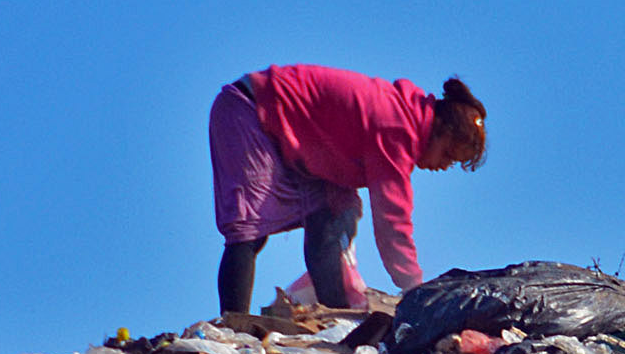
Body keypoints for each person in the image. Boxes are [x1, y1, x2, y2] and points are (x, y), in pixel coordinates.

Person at [208, 65, 486, 319]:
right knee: (249, 230)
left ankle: (335, 318)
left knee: (333, 214)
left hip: (292, 138)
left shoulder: (402, 119)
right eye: (448, 154)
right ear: (438, 129)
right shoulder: (396, 125)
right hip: (250, 109)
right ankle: (233, 325)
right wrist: (416, 290)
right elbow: (392, 222)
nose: (443, 166)